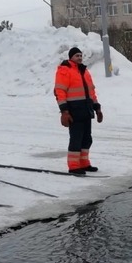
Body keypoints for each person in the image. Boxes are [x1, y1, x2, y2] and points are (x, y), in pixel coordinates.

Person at [53, 47, 102, 175]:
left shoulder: (85, 72)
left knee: (87, 139)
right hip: (74, 111)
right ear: (71, 57)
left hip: (86, 110)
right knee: (76, 139)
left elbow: (91, 92)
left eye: (80, 55)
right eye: (76, 56)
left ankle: (84, 163)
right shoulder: (65, 71)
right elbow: (60, 91)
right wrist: (64, 111)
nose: (79, 58)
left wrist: (97, 108)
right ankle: (74, 166)